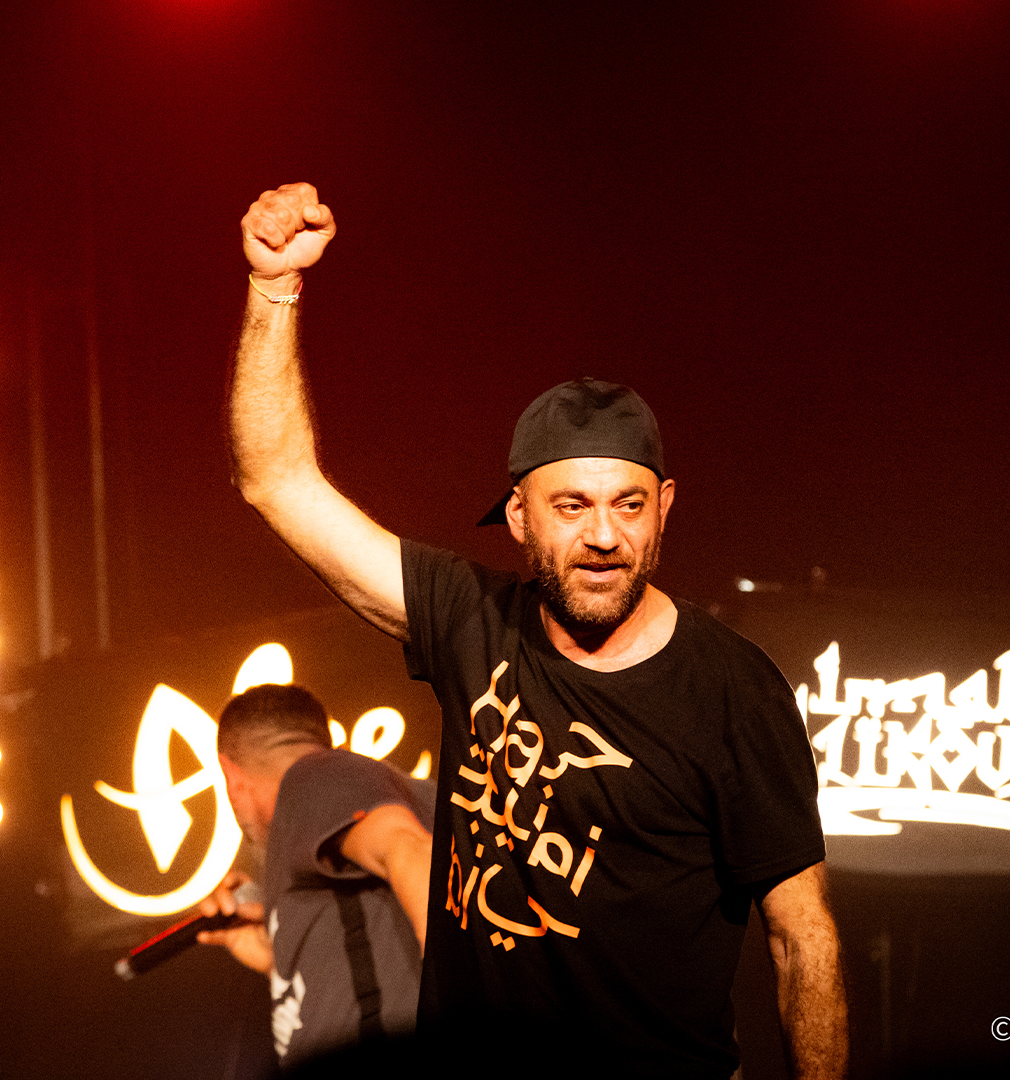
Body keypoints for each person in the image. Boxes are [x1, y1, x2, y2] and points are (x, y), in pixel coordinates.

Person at [225, 182, 848, 1079]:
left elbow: (802, 937)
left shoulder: (732, 691)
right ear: (518, 516)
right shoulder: (469, 618)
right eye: (571, 506)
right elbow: (276, 481)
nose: (603, 535)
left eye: (628, 504)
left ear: (664, 507)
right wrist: (272, 287)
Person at [197, 684, 435, 1073]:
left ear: (229, 773)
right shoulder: (331, 800)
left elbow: (412, 852)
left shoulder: (312, 777)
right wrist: (276, 960)